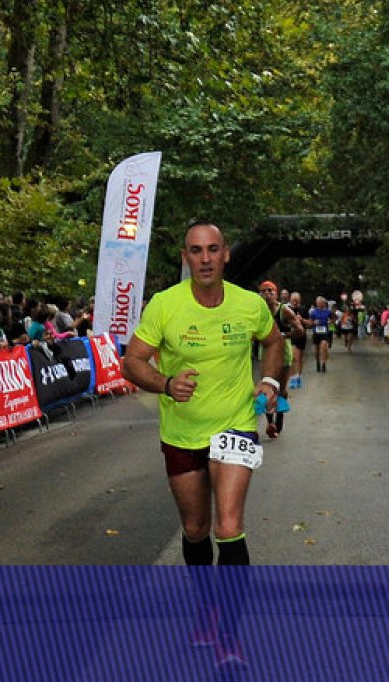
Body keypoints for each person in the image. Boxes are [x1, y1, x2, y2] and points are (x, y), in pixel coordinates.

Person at [121, 222, 281, 666]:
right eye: (196, 251)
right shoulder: (165, 305)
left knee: (228, 527)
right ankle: (207, 607)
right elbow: (132, 362)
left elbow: (274, 342)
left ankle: (229, 635)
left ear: (226, 254)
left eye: (213, 249)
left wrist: (269, 382)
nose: (205, 259)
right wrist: (166, 383)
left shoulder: (249, 304)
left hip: (234, 426)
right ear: (185, 257)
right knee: (195, 530)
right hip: (182, 433)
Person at [256, 282, 295, 440]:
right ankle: (270, 423)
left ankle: (279, 420)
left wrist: (282, 336)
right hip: (265, 352)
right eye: (263, 291)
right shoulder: (257, 311)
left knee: (281, 389)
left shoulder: (284, 310)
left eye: (270, 291)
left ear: (276, 293)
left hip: (284, 353)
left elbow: (299, 329)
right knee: (266, 386)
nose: (267, 294)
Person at [286, 291, 308, 388]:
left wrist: (302, 320)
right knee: (293, 357)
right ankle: (293, 378)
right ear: (290, 300)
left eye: (297, 301)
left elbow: (310, 323)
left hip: (301, 336)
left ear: (299, 301)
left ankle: (299, 376)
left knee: (299, 358)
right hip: (291, 336)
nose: (295, 303)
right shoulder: (286, 309)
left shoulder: (303, 309)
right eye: (293, 301)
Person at [307, 295, 333, 372]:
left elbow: (333, 319)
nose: (319, 304)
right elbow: (310, 322)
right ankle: (318, 362)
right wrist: (313, 322)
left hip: (325, 332)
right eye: (318, 303)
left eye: (321, 302)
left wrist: (330, 322)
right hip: (316, 332)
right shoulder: (313, 312)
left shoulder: (328, 311)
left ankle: (324, 364)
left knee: (324, 347)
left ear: (323, 303)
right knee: (317, 349)